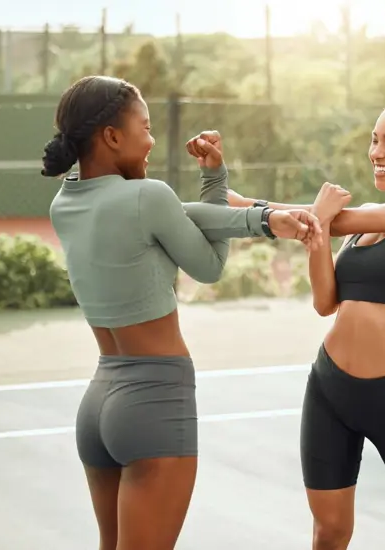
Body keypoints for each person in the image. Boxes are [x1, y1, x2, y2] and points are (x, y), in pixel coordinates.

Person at [40, 75, 323, 550]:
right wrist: (227, 189)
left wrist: (262, 218)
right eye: (145, 127)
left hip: (98, 404)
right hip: (153, 401)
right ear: (111, 136)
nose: (151, 140)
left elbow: (180, 213)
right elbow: (208, 264)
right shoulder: (146, 197)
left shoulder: (64, 203)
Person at [188, 97, 385, 549]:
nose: (376, 152)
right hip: (329, 391)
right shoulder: (361, 225)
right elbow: (326, 302)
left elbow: (333, 219)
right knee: (329, 533)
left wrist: (287, 213)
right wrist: (241, 201)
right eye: (374, 140)